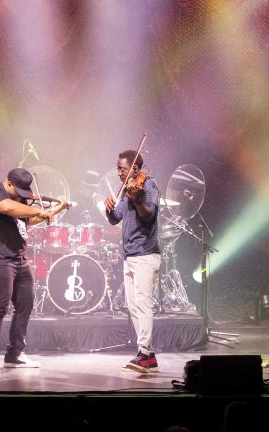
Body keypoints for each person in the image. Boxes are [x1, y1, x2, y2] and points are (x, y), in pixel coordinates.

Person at [0, 167, 67, 375]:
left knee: (26, 303)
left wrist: (57, 209)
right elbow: (7, 208)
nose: (22, 197)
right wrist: (39, 210)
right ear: (7, 183)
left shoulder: (21, 201)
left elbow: (28, 221)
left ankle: (14, 354)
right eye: (18, 191)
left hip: (18, 258)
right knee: (0, 306)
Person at [104, 150, 161, 373]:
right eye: (118, 168)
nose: (118, 172)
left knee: (144, 304)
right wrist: (109, 210)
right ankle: (149, 356)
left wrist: (137, 199)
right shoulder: (127, 190)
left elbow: (148, 215)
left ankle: (144, 352)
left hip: (146, 254)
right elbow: (115, 218)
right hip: (129, 255)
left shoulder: (148, 186)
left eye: (122, 168)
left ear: (134, 169)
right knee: (133, 306)